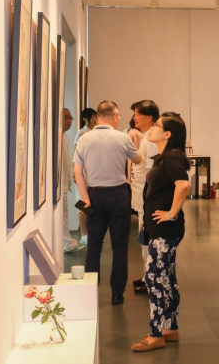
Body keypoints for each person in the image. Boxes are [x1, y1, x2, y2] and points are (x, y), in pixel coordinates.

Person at [131, 112, 191, 352]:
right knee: (166, 277)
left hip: (165, 229)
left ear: (167, 133)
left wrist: (171, 213)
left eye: (156, 125)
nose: (152, 128)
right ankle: (170, 328)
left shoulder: (173, 156)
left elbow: (183, 184)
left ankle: (156, 333)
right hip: (162, 229)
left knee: (154, 278)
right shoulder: (165, 157)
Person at [74, 101, 141, 305]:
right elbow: (138, 160)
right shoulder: (123, 138)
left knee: (94, 245)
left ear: (97, 116)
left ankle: (90, 292)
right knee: (120, 246)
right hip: (118, 194)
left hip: (94, 195)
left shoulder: (84, 139)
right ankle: (117, 293)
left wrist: (85, 197)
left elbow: (77, 171)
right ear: (115, 115)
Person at [129, 100, 161, 294]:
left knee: (146, 239)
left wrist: (149, 200)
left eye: (137, 114)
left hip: (146, 196)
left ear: (149, 117)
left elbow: (151, 173)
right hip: (141, 193)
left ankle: (151, 278)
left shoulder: (151, 139)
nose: (134, 118)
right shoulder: (146, 137)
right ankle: (147, 275)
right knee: (144, 238)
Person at [74, 108, 98, 245]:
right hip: (81, 173)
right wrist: (75, 174)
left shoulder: (94, 132)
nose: (95, 119)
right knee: (82, 204)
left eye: (96, 116)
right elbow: (76, 154)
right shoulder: (81, 133)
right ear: (84, 119)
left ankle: (89, 232)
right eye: (92, 117)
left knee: (89, 203)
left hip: (91, 173)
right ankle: (84, 234)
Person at [62, 108, 84, 253]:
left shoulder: (65, 136)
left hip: (65, 182)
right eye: (66, 117)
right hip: (59, 184)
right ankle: (68, 243)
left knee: (65, 214)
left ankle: (67, 242)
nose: (69, 121)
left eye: (71, 118)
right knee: (64, 214)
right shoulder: (80, 134)